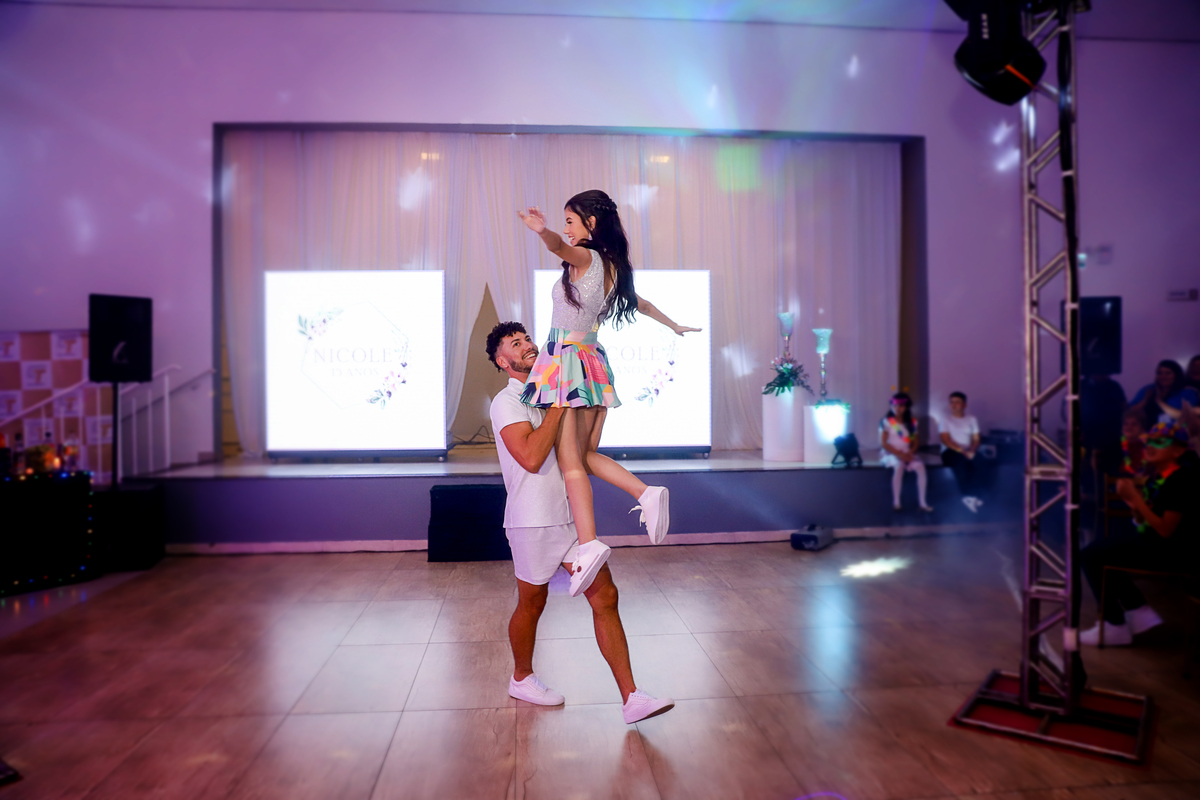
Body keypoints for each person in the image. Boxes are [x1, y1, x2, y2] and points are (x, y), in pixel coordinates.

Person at [486, 320, 675, 723]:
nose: (526, 345)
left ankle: (632, 697)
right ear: (502, 362)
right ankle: (521, 678)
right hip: (532, 522)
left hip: (570, 519)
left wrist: (595, 409)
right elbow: (531, 457)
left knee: (605, 596)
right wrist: (559, 404)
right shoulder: (507, 402)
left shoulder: (551, 390)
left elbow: (583, 457)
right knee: (531, 603)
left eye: (527, 338)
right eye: (515, 344)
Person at [517, 190, 700, 596]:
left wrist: (542, 231)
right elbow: (642, 304)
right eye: (564, 222)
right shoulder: (613, 266)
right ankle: (645, 492)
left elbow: (558, 246)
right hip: (590, 360)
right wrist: (673, 325)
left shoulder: (586, 258)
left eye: (570, 220)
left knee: (571, 463)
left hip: (567, 360)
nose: (566, 228)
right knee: (584, 456)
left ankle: (588, 544)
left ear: (591, 223)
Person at [1079, 420, 1200, 646]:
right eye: (1149, 441)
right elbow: (1144, 521)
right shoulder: (1157, 478)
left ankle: (1115, 623)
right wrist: (1132, 504)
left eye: (1160, 442)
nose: (1151, 446)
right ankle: (1136, 610)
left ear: (1178, 451)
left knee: (1091, 555)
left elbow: (1165, 530)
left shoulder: (1181, 480)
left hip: (1175, 552)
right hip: (1154, 543)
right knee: (1098, 551)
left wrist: (1136, 498)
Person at [880, 392, 932, 512]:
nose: (897, 408)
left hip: (908, 453)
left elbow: (915, 442)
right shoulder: (887, 422)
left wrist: (910, 452)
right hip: (891, 452)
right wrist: (899, 454)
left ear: (906, 407)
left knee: (920, 467)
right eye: (894, 405)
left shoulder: (912, 422)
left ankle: (923, 503)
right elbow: (884, 443)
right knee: (899, 466)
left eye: (901, 406)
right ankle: (896, 502)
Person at [939, 391, 983, 513]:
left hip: (968, 450)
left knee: (981, 461)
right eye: (951, 402)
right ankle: (967, 496)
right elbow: (945, 440)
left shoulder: (972, 419)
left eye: (957, 402)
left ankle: (977, 495)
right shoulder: (945, 419)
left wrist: (972, 451)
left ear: (964, 405)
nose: (954, 405)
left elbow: (976, 439)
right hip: (950, 451)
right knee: (961, 461)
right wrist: (962, 451)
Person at [1128, 359, 1198, 430]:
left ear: (1176, 375)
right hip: (1148, 432)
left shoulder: (1187, 392)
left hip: (1176, 432)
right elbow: (1129, 411)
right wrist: (1144, 400)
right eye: (1159, 373)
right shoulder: (1149, 389)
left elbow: (1185, 416)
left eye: (1168, 373)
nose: (1163, 376)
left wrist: (1159, 400)